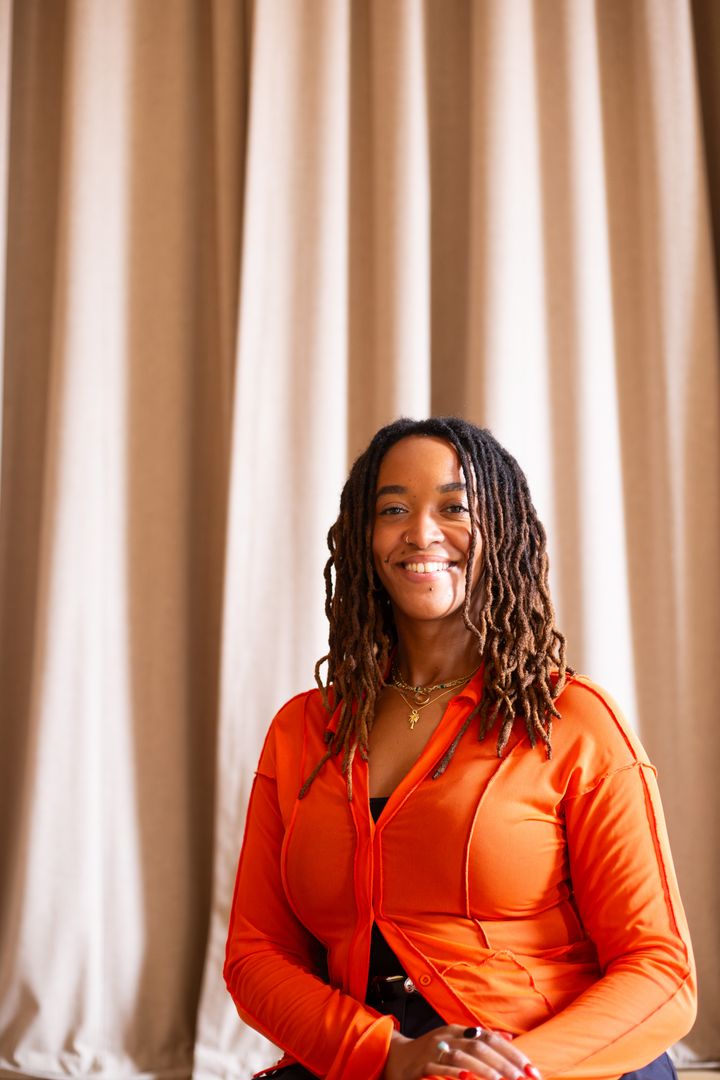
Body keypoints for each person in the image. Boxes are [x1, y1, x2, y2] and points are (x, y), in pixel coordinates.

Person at [224, 416, 696, 1080]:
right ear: (364, 538)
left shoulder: (574, 721)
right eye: (393, 509)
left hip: (546, 1056)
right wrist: (387, 1055)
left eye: (454, 507)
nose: (421, 532)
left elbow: (661, 973)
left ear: (502, 532)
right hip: (374, 1057)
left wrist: (506, 1069)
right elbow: (256, 956)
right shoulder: (303, 731)